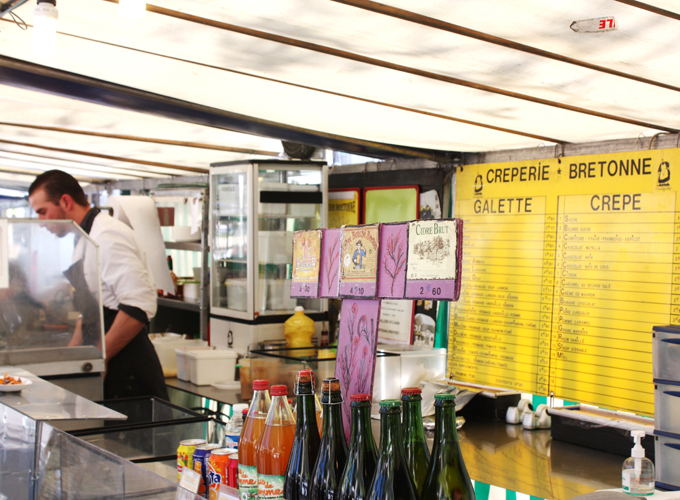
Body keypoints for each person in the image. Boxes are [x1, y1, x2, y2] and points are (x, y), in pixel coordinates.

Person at [28, 170, 168, 401]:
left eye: (42, 212)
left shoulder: (108, 234)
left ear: (65, 201)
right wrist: (75, 352)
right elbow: (93, 305)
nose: (41, 222)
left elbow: (137, 306)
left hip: (128, 370)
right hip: (106, 361)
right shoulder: (83, 236)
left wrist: (100, 359)